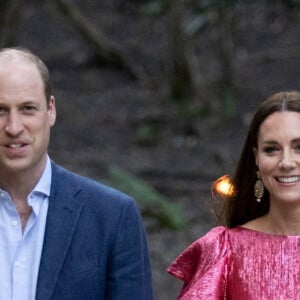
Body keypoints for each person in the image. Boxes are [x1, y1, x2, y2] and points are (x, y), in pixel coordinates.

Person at [0, 47, 153, 300]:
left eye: (27, 108)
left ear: (50, 110)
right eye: (0, 110)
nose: (14, 127)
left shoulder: (112, 217)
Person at [167, 91, 300, 299]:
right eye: (272, 149)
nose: (286, 162)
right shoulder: (225, 250)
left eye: (299, 147)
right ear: (256, 157)